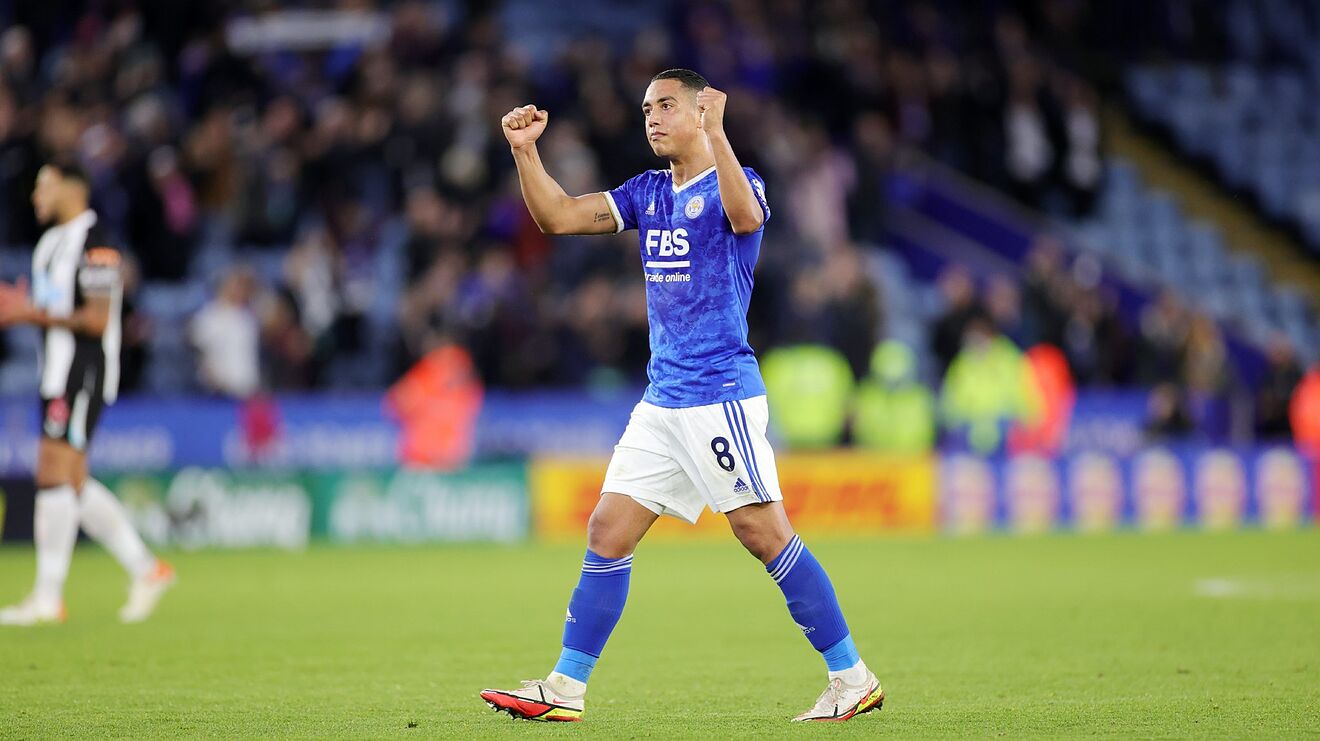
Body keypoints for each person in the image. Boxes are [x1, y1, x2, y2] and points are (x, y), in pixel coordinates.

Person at [480, 70, 883, 723]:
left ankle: (852, 676)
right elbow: (558, 216)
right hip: (663, 399)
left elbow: (747, 218)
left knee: (762, 532)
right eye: (647, 108)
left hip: (718, 393)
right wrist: (525, 151)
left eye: (667, 106)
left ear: (701, 113)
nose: (652, 118)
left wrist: (719, 135)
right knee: (607, 529)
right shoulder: (646, 193)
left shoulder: (738, 182)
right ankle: (565, 686)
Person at [0, 161, 174, 626]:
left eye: (43, 185)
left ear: (71, 189)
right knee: (72, 481)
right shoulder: (49, 244)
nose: (35, 195)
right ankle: (147, 569)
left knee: (53, 474)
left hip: (85, 373)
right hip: (55, 374)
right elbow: (53, 309)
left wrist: (28, 313)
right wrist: (31, 308)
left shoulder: (98, 244)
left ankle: (47, 598)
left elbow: (96, 320)